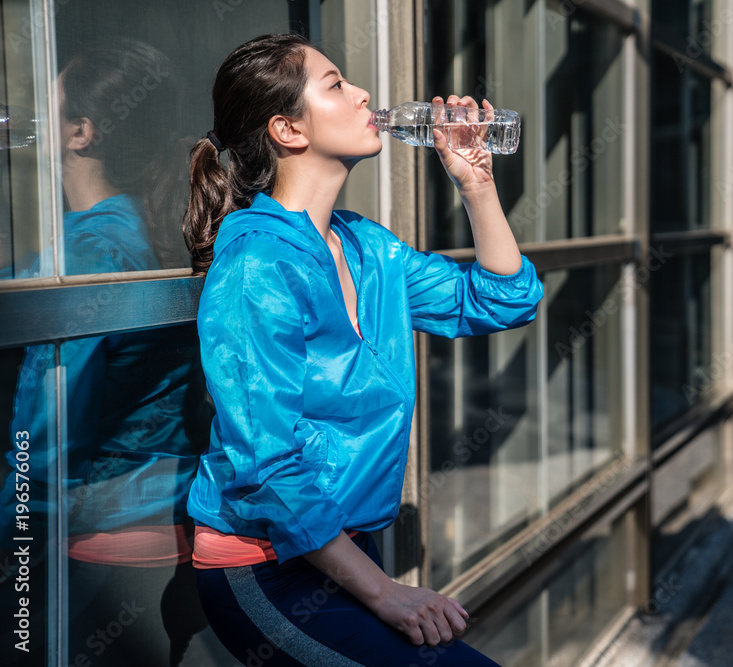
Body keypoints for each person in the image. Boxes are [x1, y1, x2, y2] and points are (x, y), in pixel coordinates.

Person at [183, 33, 543, 666]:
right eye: (337, 85)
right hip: (267, 568)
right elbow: (266, 463)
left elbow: (501, 300)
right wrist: (387, 595)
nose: (364, 94)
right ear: (288, 130)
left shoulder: (366, 247)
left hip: (343, 551)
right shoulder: (255, 265)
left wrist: (476, 184)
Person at [1, 40, 207, 667]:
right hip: (168, 526)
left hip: (97, 550)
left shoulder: (88, 257)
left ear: (82, 131)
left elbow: (45, 439)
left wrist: (15, 542)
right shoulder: (158, 227)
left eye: (49, 107)